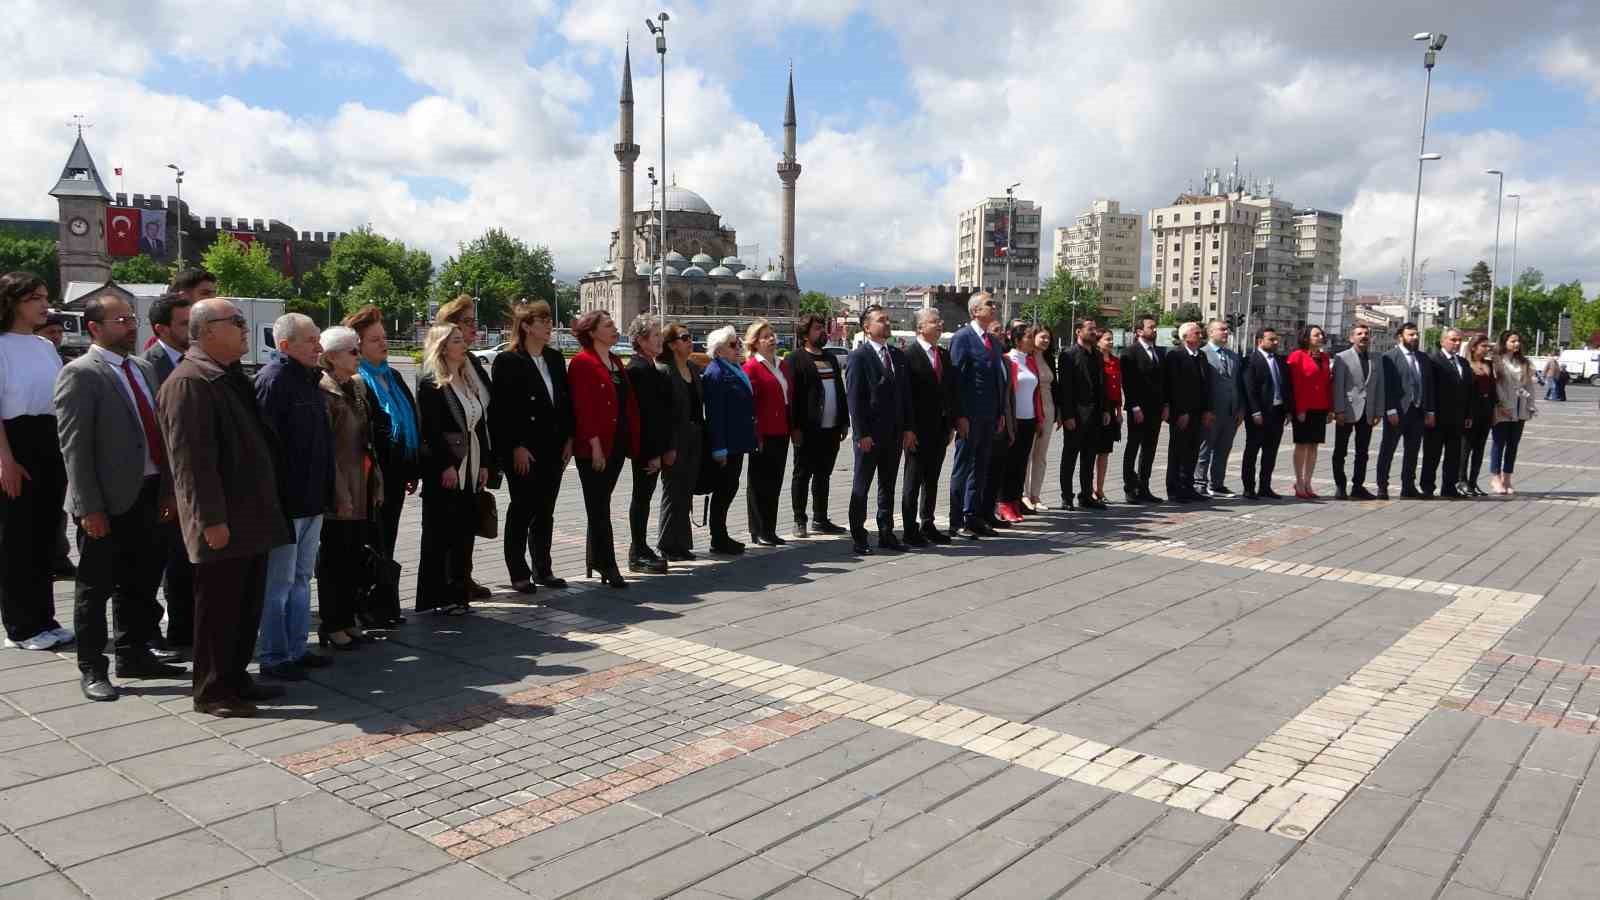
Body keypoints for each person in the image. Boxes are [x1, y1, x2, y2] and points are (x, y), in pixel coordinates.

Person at [157, 298, 291, 718]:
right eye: (235, 322)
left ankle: (235, 678)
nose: (244, 328)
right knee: (218, 609)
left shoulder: (227, 375)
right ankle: (213, 691)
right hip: (224, 521)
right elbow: (191, 462)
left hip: (250, 517)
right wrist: (210, 520)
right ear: (208, 330)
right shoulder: (190, 382)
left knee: (245, 604)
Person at [54, 293, 185, 700]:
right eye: (120, 320)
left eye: (131, 319)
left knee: (141, 582)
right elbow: (74, 447)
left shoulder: (143, 369)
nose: (130, 326)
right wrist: (89, 507)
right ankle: (93, 667)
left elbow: (160, 434)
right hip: (106, 502)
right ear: (94, 328)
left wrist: (167, 489)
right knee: (95, 590)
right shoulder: (81, 373)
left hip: (147, 494)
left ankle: (134, 653)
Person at [253, 314, 334, 679]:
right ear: (284, 346)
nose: (319, 347)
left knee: (301, 579)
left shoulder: (309, 381)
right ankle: (273, 655)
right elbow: (264, 450)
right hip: (286, 505)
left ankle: (297, 648)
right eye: (310, 341)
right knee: (279, 583)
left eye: (318, 339)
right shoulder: (274, 381)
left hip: (312, 500)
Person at [0, 273, 71, 651]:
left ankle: (45, 618)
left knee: (45, 534)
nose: (45, 305)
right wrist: (5, 460)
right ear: (13, 302)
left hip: (49, 441)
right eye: (35, 299)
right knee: (17, 539)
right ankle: (21, 625)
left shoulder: (45, 346)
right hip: (16, 442)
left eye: (45, 297)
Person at [490, 301, 573, 593]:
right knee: (522, 508)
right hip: (525, 449)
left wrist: (569, 439)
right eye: (543, 320)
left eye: (550, 320)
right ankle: (518, 570)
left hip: (553, 448)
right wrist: (515, 447)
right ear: (526, 326)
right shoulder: (509, 360)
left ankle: (543, 568)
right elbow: (502, 411)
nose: (549, 325)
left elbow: (564, 403)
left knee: (545, 510)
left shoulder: (553, 357)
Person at [346, 305, 418, 626]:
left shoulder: (393, 375)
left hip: (397, 472)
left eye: (384, 338)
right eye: (374, 339)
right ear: (357, 345)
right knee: (370, 540)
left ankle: (385, 603)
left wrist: (412, 466)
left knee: (387, 537)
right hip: (370, 476)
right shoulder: (356, 380)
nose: (383, 344)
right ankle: (369, 606)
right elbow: (369, 431)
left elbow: (410, 419)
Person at [313, 326, 381, 650]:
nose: (358, 356)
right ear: (330, 357)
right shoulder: (323, 390)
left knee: (355, 556)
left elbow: (367, 440)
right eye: (352, 351)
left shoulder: (356, 386)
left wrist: (375, 482)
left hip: (362, 481)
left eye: (358, 349)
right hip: (339, 486)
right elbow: (328, 450)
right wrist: (339, 493)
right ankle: (332, 622)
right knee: (334, 558)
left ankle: (350, 617)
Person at [416, 324, 491, 612]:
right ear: (443, 347)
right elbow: (430, 432)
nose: (464, 345)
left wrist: (484, 462)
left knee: (464, 530)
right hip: (448, 467)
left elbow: (479, 424)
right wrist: (445, 465)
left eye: (462, 340)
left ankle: (459, 592)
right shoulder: (432, 384)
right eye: (457, 341)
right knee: (441, 532)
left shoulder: (468, 379)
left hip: (471, 463)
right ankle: (438, 596)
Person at [568, 311, 639, 588]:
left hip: (617, 444)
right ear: (592, 331)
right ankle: (607, 564)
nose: (614, 329)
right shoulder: (582, 363)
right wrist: (595, 445)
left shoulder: (614, 361)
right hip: (595, 448)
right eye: (608, 325)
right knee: (598, 507)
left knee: (601, 503)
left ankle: (595, 558)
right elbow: (583, 408)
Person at [432, 295, 496, 600]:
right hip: (453, 458)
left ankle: (463, 577)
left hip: (474, 454)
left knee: (469, 520)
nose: (474, 329)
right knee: (450, 525)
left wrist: (485, 459)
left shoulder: (470, 361)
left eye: (474, 322)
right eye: (468, 323)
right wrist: (446, 462)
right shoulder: (436, 371)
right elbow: (433, 426)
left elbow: (482, 410)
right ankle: (448, 584)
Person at [145, 292, 195, 647]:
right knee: (172, 560)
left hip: (193, 475)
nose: (190, 329)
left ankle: (190, 627)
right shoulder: (151, 365)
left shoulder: (196, 359)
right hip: (167, 479)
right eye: (183, 323)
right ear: (161, 329)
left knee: (190, 558)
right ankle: (177, 633)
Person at [846, 305, 915, 555]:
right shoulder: (859, 357)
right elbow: (855, 399)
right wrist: (861, 433)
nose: (887, 323)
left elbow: (905, 396)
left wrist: (908, 428)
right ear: (867, 327)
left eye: (888, 320)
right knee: (861, 486)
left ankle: (886, 532)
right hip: (870, 436)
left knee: (888, 484)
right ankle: (859, 536)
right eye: (881, 320)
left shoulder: (897, 355)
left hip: (894, 434)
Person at [947, 292, 1008, 538]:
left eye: (994, 304)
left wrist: (1001, 412)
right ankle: (956, 519)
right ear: (975, 311)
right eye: (989, 304)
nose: (994, 307)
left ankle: (973, 515)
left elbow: (997, 380)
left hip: (989, 416)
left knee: (981, 467)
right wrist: (959, 415)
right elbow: (956, 380)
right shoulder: (963, 338)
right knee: (963, 466)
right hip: (969, 416)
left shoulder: (992, 342)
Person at [784, 313, 848, 538]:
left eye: (823, 328)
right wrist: (795, 427)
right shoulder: (795, 359)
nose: (822, 332)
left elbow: (840, 391)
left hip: (831, 429)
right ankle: (799, 519)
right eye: (817, 328)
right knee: (802, 474)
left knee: (824, 475)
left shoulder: (830, 358)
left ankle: (820, 518)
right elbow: (792, 398)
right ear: (805, 333)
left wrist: (843, 421)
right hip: (807, 429)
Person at [901, 308, 961, 546]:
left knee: (932, 479)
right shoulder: (908, 355)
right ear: (919, 328)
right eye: (934, 321)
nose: (940, 324)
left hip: (939, 429)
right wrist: (908, 428)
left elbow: (949, 392)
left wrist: (951, 424)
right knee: (913, 480)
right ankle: (909, 528)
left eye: (940, 320)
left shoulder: (944, 356)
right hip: (916, 430)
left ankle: (928, 522)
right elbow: (905, 397)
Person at [702, 325, 757, 555]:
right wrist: (719, 448)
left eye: (739, 344)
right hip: (726, 443)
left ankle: (721, 533)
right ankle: (718, 536)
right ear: (719, 350)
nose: (739, 348)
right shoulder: (716, 372)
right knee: (724, 489)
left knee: (730, 487)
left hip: (738, 440)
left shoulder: (733, 368)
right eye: (733, 345)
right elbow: (715, 413)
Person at [626, 315, 672, 572]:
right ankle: (637, 550)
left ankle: (641, 547)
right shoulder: (639, 369)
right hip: (646, 448)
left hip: (652, 446)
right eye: (655, 336)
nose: (660, 340)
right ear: (641, 341)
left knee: (644, 497)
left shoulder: (648, 366)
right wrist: (653, 453)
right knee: (641, 498)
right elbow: (645, 416)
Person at [742, 319, 791, 547]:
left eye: (772, 335)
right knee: (758, 483)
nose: (771, 339)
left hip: (781, 432)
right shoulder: (751, 366)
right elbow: (750, 405)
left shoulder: (782, 365)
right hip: (763, 434)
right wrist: (755, 435)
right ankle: (758, 529)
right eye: (765, 337)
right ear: (754, 343)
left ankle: (770, 529)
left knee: (775, 482)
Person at [656, 323, 704, 559]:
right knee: (672, 491)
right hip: (675, 439)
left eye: (690, 336)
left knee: (686, 491)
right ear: (672, 344)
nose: (689, 341)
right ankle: (666, 544)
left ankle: (682, 544)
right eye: (684, 337)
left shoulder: (693, 369)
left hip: (695, 436)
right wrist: (669, 446)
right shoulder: (665, 370)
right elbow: (665, 414)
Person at [34, 313, 76, 580]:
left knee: (57, 508)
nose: (57, 337)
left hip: (59, 442)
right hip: (35, 442)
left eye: (59, 332)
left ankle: (59, 558)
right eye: (51, 332)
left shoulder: (65, 362)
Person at [1377, 322, 1435, 500]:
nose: (1415, 338)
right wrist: (1390, 409)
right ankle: (1382, 486)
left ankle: (1408, 486)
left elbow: (1429, 385)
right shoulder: (1389, 357)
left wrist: (1430, 410)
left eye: (1416, 334)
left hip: (1417, 411)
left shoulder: (1423, 358)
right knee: (1388, 449)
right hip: (1397, 411)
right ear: (1400, 337)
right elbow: (1386, 386)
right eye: (1411, 335)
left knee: (1412, 451)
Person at [1058, 318, 1107, 510]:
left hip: (1095, 415)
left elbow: (1100, 385)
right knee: (1070, 457)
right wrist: (1068, 415)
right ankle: (1066, 496)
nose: (1094, 332)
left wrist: (1104, 409)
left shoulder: (1096, 354)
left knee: (1089, 457)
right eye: (1090, 329)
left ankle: (1086, 495)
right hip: (1076, 416)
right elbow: (1065, 389)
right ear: (1079, 331)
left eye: (1095, 329)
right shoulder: (1068, 355)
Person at [1162, 322, 1214, 503]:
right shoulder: (1175, 355)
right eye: (1197, 333)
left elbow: (1206, 385)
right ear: (1185, 336)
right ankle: (1174, 489)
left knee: (1192, 451)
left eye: (1201, 333)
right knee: (1177, 452)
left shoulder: (1201, 356)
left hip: (1198, 413)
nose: (1200, 336)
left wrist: (1207, 410)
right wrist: (1181, 412)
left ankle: (1188, 486)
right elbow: (1174, 386)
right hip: (1182, 413)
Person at [1240, 327, 1293, 500]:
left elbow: (1286, 386)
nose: (1276, 343)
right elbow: (1250, 389)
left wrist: (1288, 410)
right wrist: (1255, 411)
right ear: (1260, 341)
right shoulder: (1250, 360)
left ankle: (1265, 486)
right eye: (1272, 339)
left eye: (1276, 339)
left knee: (1271, 452)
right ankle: (1249, 488)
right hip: (1259, 414)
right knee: (1252, 451)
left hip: (1277, 412)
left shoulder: (1280, 360)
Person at [1330, 324, 1381, 500]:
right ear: (1352, 338)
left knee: (1363, 452)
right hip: (1348, 410)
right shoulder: (1342, 357)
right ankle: (1340, 485)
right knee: (1340, 451)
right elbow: (1338, 386)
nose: (1364, 336)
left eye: (1367, 333)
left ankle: (1358, 486)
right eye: (1359, 334)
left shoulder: (1376, 358)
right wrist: (1339, 410)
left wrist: (1378, 411)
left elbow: (1379, 386)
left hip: (1368, 411)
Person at [1196, 320, 1246, 497]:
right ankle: (1199, 483)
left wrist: (1241, 409)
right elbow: (1201, 386)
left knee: (1223, 449)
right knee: (1205, 448)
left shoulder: (1233, 356)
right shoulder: (1202, 354)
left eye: (1227, 329)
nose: (1226, 332)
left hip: (1231, 411)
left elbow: (1239, 385)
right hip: (1211, 411)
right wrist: (1205, 409)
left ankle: (1217, 484)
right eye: (1222, 330)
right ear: (1210, 333)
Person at [1120, 315, 1166, 503]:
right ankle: (1130, 487)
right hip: (1138, 409)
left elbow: (1163, 383)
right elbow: (1128, 383)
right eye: (1150, 327)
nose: (1154, 330)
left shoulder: (1159, 353)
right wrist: (1135, 406)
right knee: (1133, 447)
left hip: (1156, 410)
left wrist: (1165, 405)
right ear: (1139, 331)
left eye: (1155, 327)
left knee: (1150, 448)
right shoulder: (1129, 353)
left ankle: (1144, 486)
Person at [998, 322, 1040, 522]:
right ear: (1016, 340)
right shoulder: (1008, 360)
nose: (1033, 340)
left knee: (1022, 464)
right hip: (1014, 420)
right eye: (1029, 336)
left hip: (1029, 420)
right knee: (1008, 463)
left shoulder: (1030, 361)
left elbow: (1035, 394)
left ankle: (1015, 500)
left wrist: (1039, 418)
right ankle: (1004, 502)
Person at [1423, 328, 1472, 499]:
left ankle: (1449, 487)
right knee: (1432, 454)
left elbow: (1467, 391)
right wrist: (1429, 411)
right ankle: (1428, 487)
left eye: (1459, 340)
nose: (1457, 343)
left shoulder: (1463, 363)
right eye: (1453, 340)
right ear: (1443, 341)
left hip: (1457, 418)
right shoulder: (1432, 360)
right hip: (1436, 417)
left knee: (1453, 456)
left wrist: (1468, 415)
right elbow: (1428, 389)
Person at [1286, 325, 1333, 499]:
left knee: (1314, 446)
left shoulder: (1325, 357)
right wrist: (1299, 409)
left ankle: (1308, 482)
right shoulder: (1297, 356)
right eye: (1316, 334)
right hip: (1303, 407)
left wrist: (1330, 409)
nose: (1320, 336)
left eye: (1321, 334)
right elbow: (1295, 385)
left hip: (1320, 406)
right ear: (1306, 338)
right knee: (1302, 445)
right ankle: (1298, 481)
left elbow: (1327, 384)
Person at [1489, 330, 1536, 495]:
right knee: (1498, 443)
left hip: (1520, 408)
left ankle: (1507, 478)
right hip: (1502, 409)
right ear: (1504, 342)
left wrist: (1531, 404)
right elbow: (1496, 386)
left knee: (1513, 445)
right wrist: (1502, 405)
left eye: (1518, 341)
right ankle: (1495, 477)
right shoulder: (1496, 361)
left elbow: (1529, 386)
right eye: (1513, 341)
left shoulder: (1524, 362)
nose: (1516, 344)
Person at [981, 320, 1017, 529]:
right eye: (996, 330)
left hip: (1002, 425)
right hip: (985, 423)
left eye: (1002, 331)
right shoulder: (987, 359)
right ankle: (976, 513)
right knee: (982, 472)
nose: (1001, 334)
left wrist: (1011, 427)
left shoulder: (1004, 361)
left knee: (996, 472)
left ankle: (989, 512)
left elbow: (1008, 398)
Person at [1024, 326, 1057, 511]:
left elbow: (1056, 386)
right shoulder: (1027, 358)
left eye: (1048, 338)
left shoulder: (1049, 358)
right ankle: (1023, 494)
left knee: (1041, 455)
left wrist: (1058, 412)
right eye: (1043, 337)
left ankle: (1036, 494)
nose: (1046, 341)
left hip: (1049, 408)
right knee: (1027, 454)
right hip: (1031, 408)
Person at [1462, 336, 1496, 497]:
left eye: (1488, 346)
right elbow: (1466, 392)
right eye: (1483, 346)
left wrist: (1494, 411)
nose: (1487, 349)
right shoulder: (1465, 364)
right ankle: (1462, 480)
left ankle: (1473, 482)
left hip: (1487, 410)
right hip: (1471, 411)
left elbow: (1493, 390)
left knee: (1480, 449)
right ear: (1474, 347)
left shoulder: (1489, 364)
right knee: (1466, 448)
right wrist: (1467, 413)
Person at [1093, 329, 1122, 503]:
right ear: (1098, 341)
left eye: (1112, 339)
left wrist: (1119, 411)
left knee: (1105, 451)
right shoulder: (1095, 360)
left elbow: (1117, 387)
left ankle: (1100, 489)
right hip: (1097, 408)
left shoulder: (1115, 361)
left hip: (1111, 408)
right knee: (1091, 451)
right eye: (1107, 339)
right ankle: (1088, 488)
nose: (1110, 342)